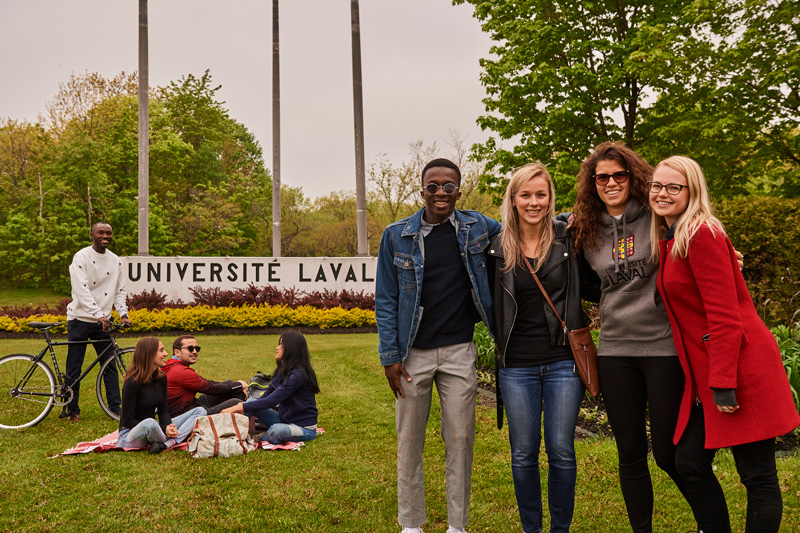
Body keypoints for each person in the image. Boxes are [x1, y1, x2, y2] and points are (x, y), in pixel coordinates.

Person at [650, 155, 800, 533]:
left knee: (757, 475)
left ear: (692, 190)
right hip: (711, 371)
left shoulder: (701, 233)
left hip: (739, 368)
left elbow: (724, 315)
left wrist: (723, 383)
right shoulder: (673, 236)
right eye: (656, 185)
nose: (662, 193)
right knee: (688, 462)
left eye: (673, 187)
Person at [570, 142, 695, 532]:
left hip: (662, 348)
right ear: (593, 183)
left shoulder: (657, 218)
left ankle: (708, 516)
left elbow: (697, 241)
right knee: (630, 453)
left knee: (667, 452)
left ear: (633, 177)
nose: (610, 183)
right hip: (615, 351)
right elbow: (587, 284)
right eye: (602, 177)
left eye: (618, 175)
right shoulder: (584, 231)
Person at [375, 158, 500, 533]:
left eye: (448, 186)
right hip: (413, 353)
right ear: (422, 190)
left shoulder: (479, 226)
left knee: (460, 441)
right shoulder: (396, 235)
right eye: (433, 186)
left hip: (460, 352)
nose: (441, 193)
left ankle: (457, 527)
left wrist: (564, 220)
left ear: (459, 191)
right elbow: (386, 298)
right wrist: (390, 356)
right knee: (410, 441)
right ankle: (411, 524)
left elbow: (524, 224)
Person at [486, 163, 594, 533]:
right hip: (515, 365)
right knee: (523, 453)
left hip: (563, 361)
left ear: (550, 198)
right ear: (513, 199)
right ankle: (531, 528)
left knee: (562, 450)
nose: (534, 202)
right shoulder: (495, 247)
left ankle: (559, 530)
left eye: (541, 194)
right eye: (525, 195)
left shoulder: (568, 238)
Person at [63, 221, 133, 422]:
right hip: (80, 319)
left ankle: (115, 407)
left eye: (109, 233)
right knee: (74, 366)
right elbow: (81, 288)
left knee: (109, 364)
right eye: (101, 232)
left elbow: (119, 290)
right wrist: (98, 314)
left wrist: (123, 314)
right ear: (91, 235)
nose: (105, 236)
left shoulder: (116, 261)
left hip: (104, 321)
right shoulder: (81, 257)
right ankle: (72, 410)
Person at [222, 331, 319, 445]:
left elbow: (271, 401)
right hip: (284, 421)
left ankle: (259, 438)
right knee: (251, 401)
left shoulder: (298, 376)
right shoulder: (282, 372)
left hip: (304, 428)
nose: (277, 348)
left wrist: (238, 406)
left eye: (281, 344)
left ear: (291, 348)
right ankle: (243, 434)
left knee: (275, 431)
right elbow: (265, 398)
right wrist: (244, 407)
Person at [117, 337, 205, 454]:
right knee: (150, 423)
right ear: (150, 354)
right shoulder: (132, 382)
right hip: (130, 434)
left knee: (200, 411)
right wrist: (163, 429)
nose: (166, 354)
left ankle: (166, 444)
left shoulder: (162, 378)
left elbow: (163, 411)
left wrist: (168, 426)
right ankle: (170, 440)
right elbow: (128, 421)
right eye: (161, 350)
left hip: (155, 430)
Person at [164, 335, 248, 416]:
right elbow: (211, 389)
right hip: (189, 414)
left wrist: (237, 386)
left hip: (192, 405)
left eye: (197, 349)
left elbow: (207, 383)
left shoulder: (172, 364)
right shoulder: (180, 371)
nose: (195, 352)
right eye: (190, 349)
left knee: (230, 385)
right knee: (236, 403)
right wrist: (240, 385)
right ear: (177, 352)